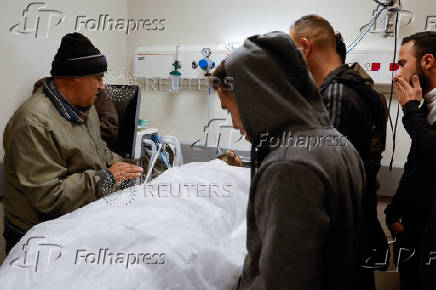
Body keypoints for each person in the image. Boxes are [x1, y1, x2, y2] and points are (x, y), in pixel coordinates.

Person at [213, 31, 364, 290]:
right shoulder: (337, 142)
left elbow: (284, 280)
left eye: (230, 110)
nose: (234, 124)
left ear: (253, 98)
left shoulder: (290, 166)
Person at [2, 32, 143, 254]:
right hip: (37, 236)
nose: (102, 87)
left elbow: (98, 151)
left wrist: (129, 171)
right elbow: (49, 196)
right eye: (97, 78)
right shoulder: (33, 124)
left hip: (72, 220)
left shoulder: (86, 109)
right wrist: (107, 178)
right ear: (73, 77)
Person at [290, 15, 389, 289]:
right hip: (355, 230)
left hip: (339, 241)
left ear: (305, 47)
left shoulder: (336, 95)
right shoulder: (358, 87)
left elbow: (328, 181)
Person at [384, 31, 436, 290]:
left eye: (402, 64)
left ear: (427, 62)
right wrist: (394, 214)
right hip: (411, 233)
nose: (397, 73)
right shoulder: (423, 104)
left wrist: (410, 111)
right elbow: (417, 166)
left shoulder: (418, 109)